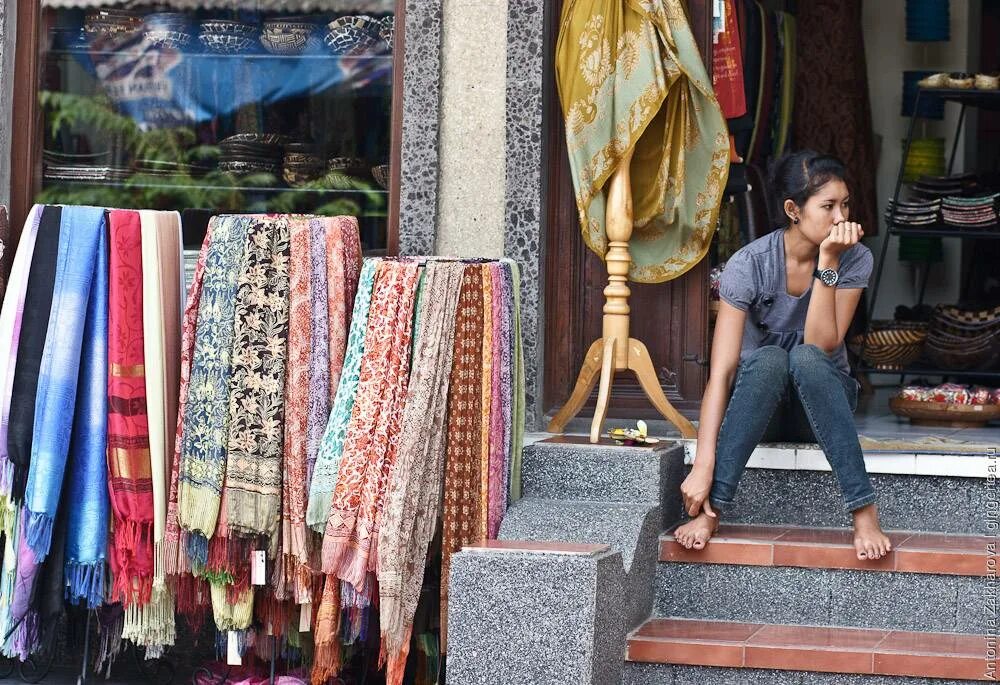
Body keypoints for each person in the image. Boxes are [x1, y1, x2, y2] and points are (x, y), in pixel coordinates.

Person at [673, 150, 892, 561]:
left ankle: (863, 511)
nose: (840, 217)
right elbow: (721, 373)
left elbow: (821, 344)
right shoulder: (750, 265)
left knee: (807, 360)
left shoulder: (855, 256)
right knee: (770, 359)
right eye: (828, 207)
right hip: (764, 407)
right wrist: (703, 462)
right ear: (793, 209)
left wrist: (828, 262)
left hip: (824, 405)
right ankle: (713, 511)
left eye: (845, 204)